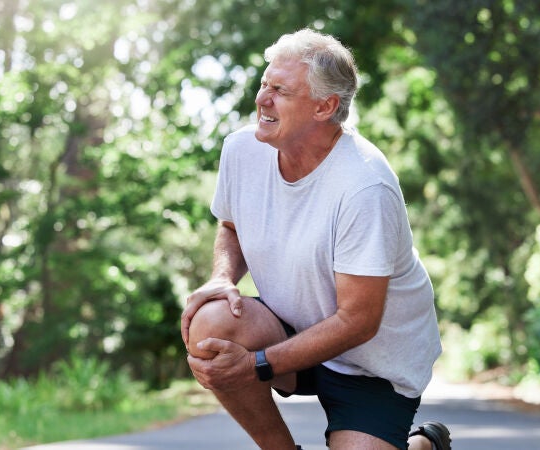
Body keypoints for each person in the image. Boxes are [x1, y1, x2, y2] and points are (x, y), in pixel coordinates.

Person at [181, 28, 451, 450]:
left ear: (325, 106)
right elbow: (232, 226)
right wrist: (222, 276)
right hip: (289, 329)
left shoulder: (365, 186)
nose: (262, 99)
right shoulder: (242, 150)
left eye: (281, 91)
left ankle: (422, 446)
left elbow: (358, 321)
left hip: (372, 363)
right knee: (212, 323)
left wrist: (257, 364)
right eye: (264, 84)